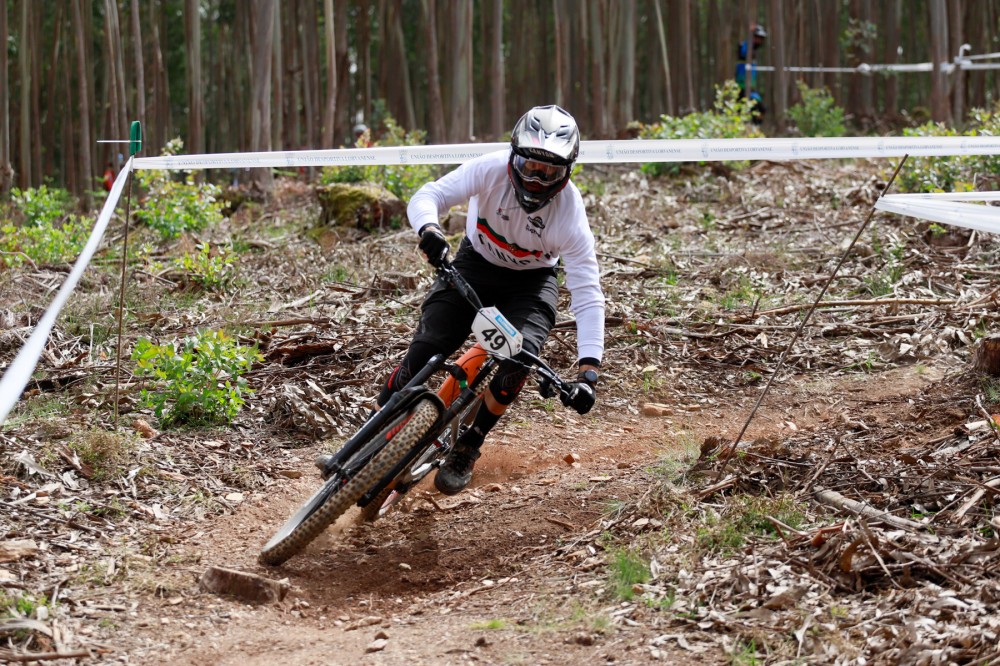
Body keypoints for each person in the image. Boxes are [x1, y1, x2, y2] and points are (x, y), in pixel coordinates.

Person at [381, 104, 605, 495]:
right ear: (513, 156)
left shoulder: (570, 212)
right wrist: (429, 229)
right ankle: (379, 417)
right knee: (430, 344)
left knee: (519, 359)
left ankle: (470, 443)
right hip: (475, 265)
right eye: (530, 166)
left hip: (531, 285)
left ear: (567, 172)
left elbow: (587, 294)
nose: (536, 180)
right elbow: (429, 194)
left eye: (549, 172)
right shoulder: (489, 169)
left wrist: (588, 371)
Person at [736, 24, 767, 124]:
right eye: (757, 38)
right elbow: (744, 51)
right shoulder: (745, 48)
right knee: (744, 111)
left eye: (761, 39)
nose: (759, 41)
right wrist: (750, 35)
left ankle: (754, 128)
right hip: (742, 88)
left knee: (761, 109)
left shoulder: (753, 52)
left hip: (751, 88)